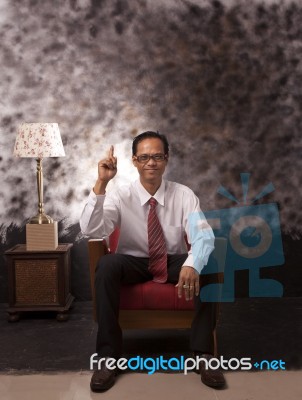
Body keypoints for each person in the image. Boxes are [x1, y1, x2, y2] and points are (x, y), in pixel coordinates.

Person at [80, 131, 226, 392]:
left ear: (166, 160)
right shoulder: (119, 195)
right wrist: (101, 184)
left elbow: (203, 234)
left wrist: (192, 264)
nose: (151, 163)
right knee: (107, 265)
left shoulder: (183, 195)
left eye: (157, 156)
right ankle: (108, 358)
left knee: (207, 262)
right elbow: (92, 231)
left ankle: (204, 355)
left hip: (171, 260)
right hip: (132, 262)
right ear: (135, 161)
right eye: (144, 157)